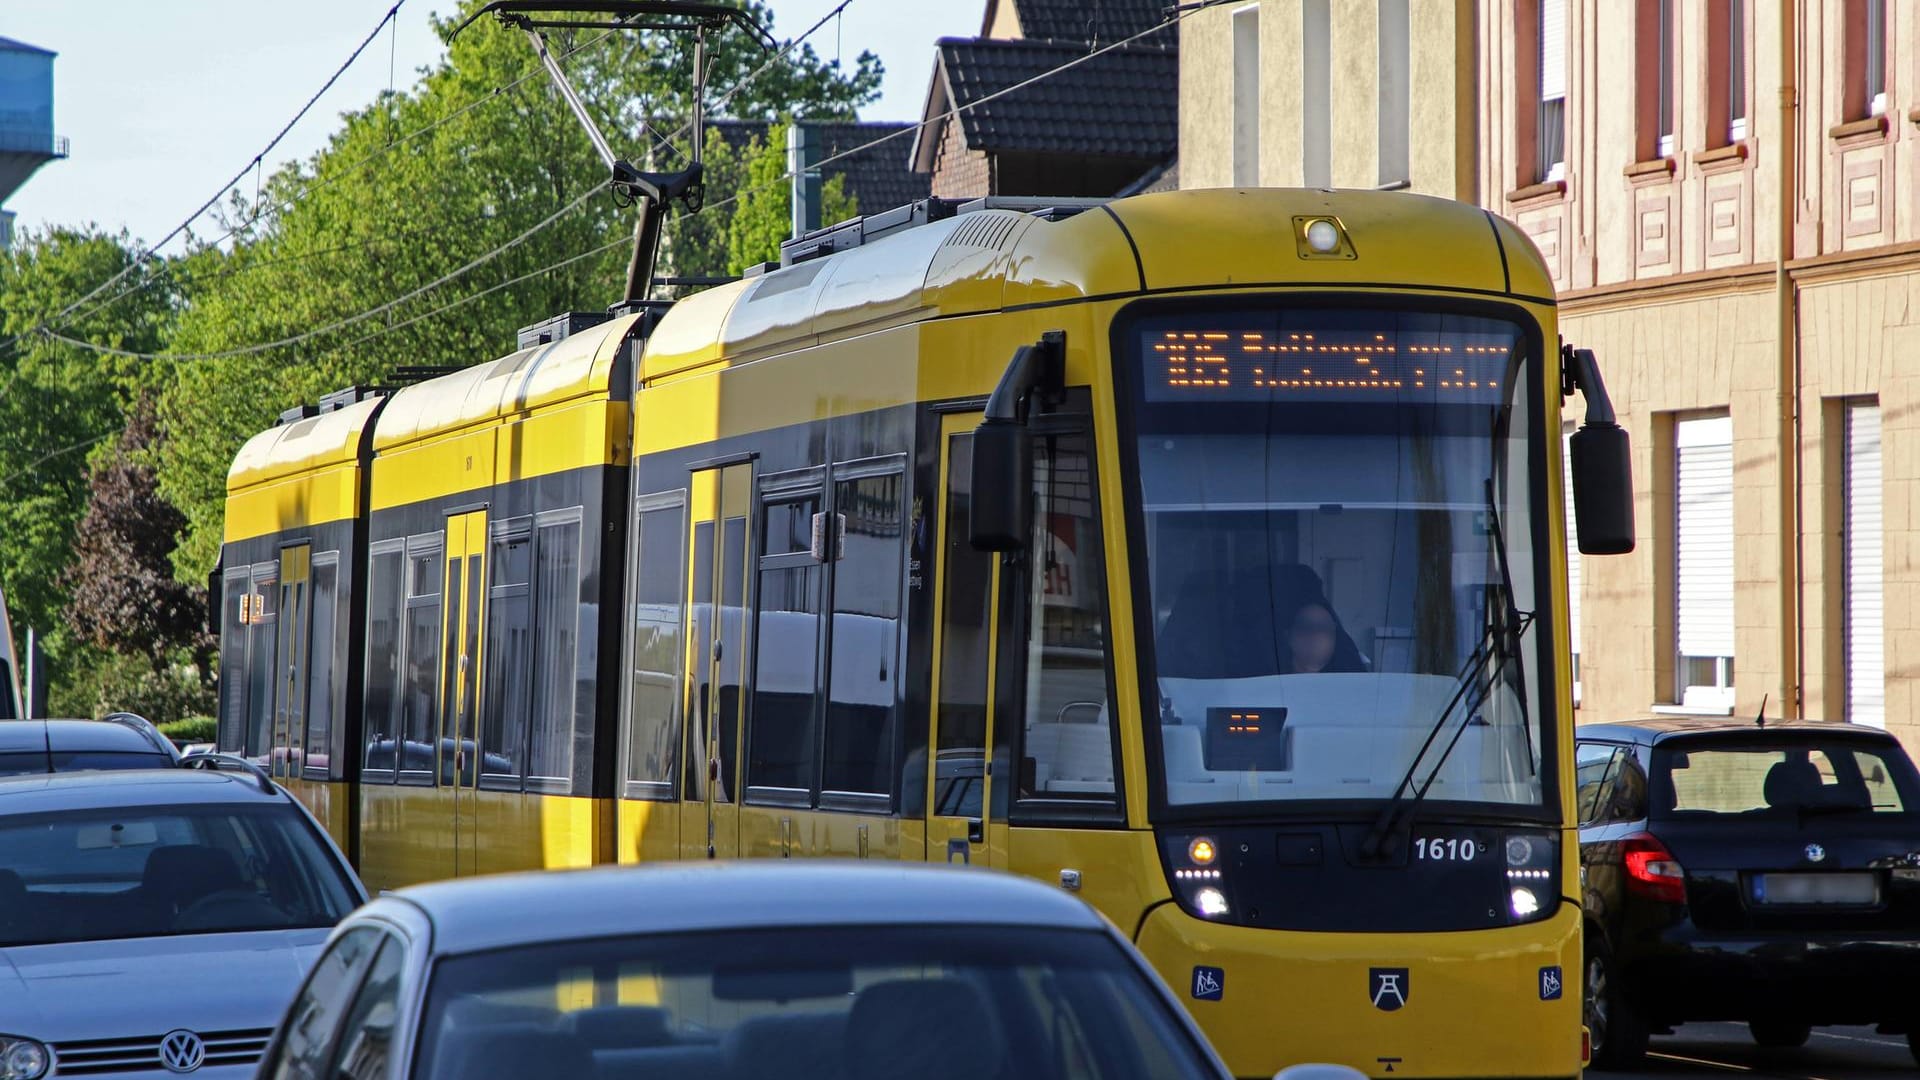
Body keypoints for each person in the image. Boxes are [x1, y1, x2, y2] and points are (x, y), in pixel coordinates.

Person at [1281, 594, 1368, 674]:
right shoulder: (1272, 680)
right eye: (1306, 627)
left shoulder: (1346, 683)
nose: (1316, 636)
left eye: (1324, 628)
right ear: (1288, 636)